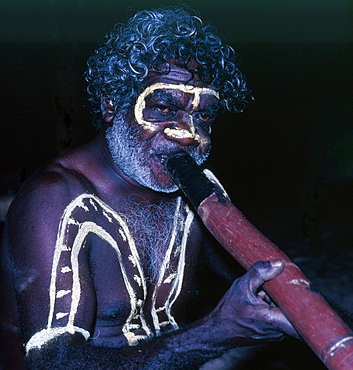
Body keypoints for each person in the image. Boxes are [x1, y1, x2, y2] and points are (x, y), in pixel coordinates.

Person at [0, 7, 298, 369]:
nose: (186, 133)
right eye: (163, 108)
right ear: (112, 106)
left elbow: (273, 281)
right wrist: (217, 332)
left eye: (202, 115)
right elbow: (52, 363)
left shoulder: (196, 193)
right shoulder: (56, 199)